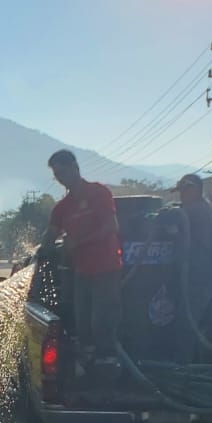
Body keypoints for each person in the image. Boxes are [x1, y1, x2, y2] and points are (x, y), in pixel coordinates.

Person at [42, 149, 122, 364]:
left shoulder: (99, 193)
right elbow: (50, 235)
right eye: (56, 174)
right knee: (83, 324)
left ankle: (107, 362)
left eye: (62, 172)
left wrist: (79, 242)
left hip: (106, 269)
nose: (60, 178)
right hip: (82, 272)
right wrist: (40, 251)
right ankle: (89, 363)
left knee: (101, 323)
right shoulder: (62, 207)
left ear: (75, 168)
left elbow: (111, 227)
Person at [175, 172, 212, 349]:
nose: (181, 196)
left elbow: (170, 225)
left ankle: (183, 368)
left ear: (194, 190)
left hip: (198, 277)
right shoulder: (207, 208)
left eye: (184, 191)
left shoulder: (193, 211)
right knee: (209, 326)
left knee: (187, 325)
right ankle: (208, 367)